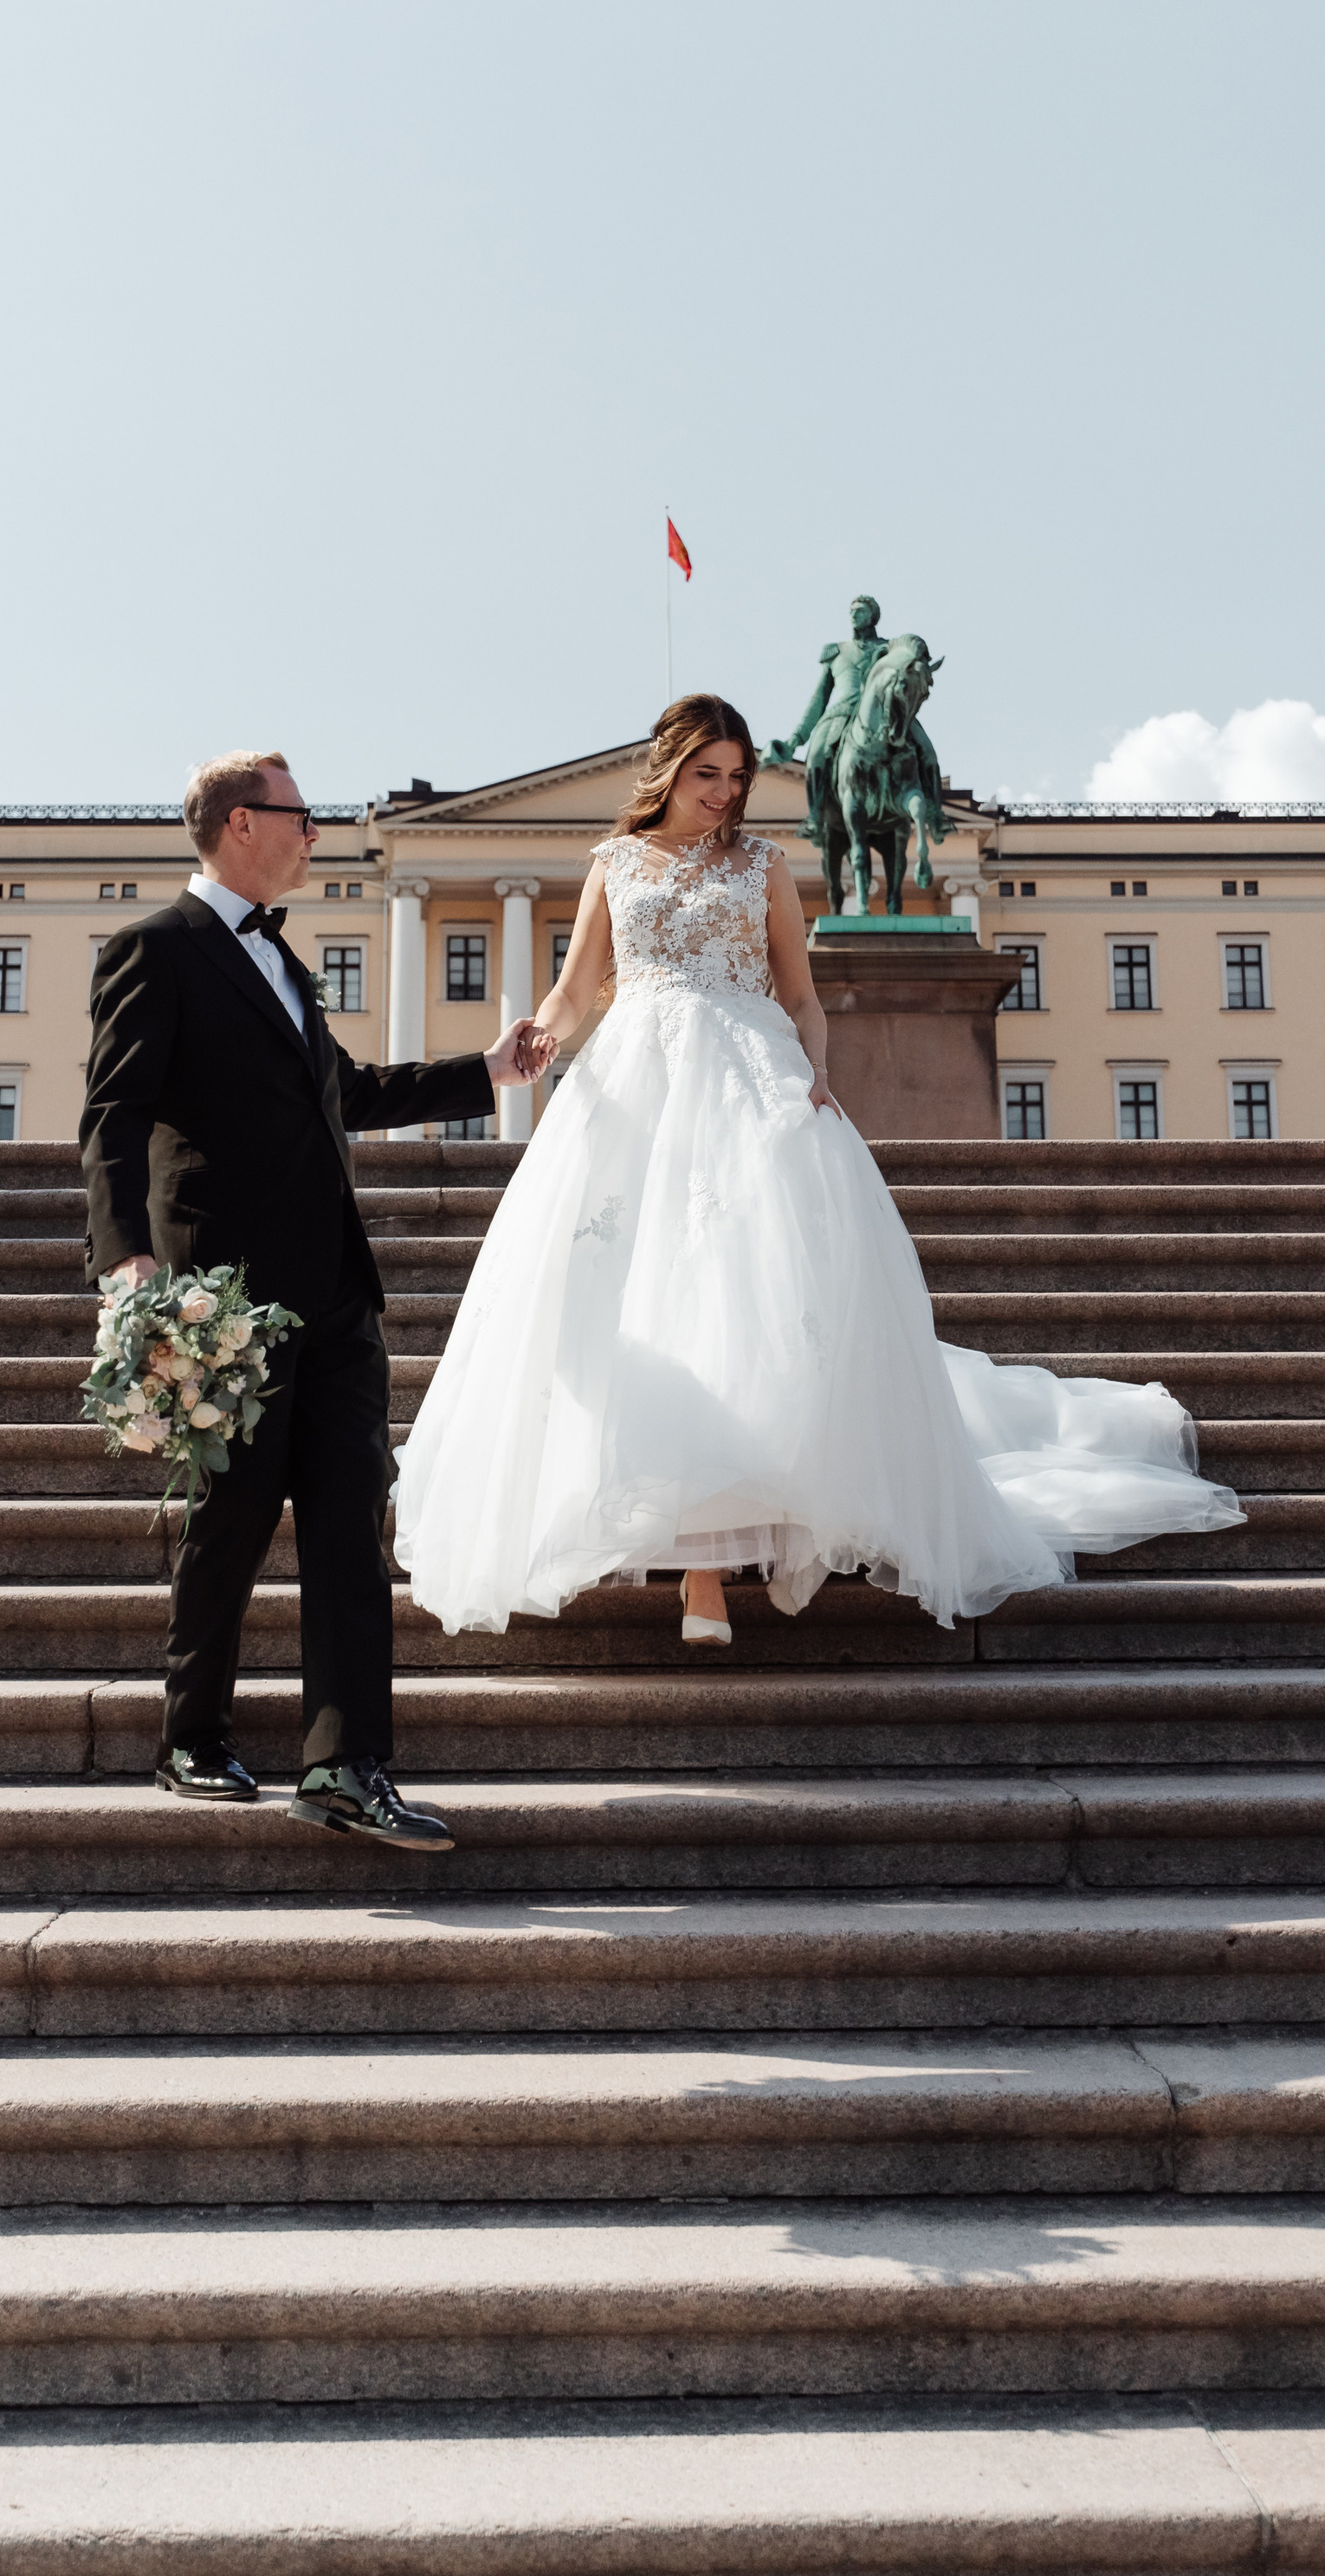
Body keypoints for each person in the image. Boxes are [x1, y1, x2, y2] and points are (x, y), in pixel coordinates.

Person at [393, 694, 1243, 1644]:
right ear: (668, 769)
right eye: (704, 773)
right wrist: (534, 1040)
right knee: (638, 1303)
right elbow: (579, 984)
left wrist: (817, 1073)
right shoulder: (612, 864)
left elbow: (800, 997)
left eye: (734, 777)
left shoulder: (764, 866)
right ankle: (667, 1532)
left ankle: (708, 1569)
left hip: (749, 1081)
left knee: (736, 1298)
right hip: (633, 1086)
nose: (721, 794)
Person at [81, 748, 548, 1848]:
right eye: (304, 817)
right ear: (243, 822)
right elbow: (112, 1114)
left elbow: (346, 1092)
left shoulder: (286, 967)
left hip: (336, 1293)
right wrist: (127, 1258)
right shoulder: (157, 950)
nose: (316, 835)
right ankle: (192, 1738)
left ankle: (345, 1765)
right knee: (232, 1519)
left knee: (349, 1525)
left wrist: (484, 1072)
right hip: (226, 1292)